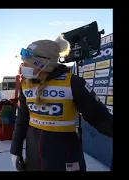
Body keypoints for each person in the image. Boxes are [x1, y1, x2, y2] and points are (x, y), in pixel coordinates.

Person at [10, 35, 113, 171]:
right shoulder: (26, 85)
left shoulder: (72, 82)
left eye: (27, 64)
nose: (22, 67)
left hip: (64, 157)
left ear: (43, 64)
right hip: (34, 156)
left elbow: (100, 117)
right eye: (23, 63)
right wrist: (15, 150)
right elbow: (22, 120)